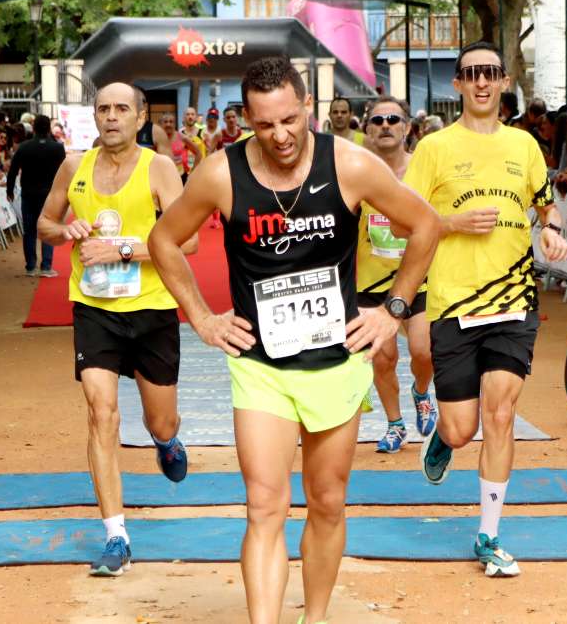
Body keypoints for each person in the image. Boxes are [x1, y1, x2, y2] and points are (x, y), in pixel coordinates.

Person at [147, 57, 439, 623]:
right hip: (261, 366)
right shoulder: (220, 173)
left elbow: (424, 225)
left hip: (338, 361)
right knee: (265, 505)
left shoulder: (350, 163)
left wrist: (393, 310)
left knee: (327, 501)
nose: (280, 136)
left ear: (307, 106)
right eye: (264, 125)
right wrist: (203, 318)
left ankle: (317, 616)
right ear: (244, 123)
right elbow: (163, 240)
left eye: (289, 120)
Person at [405, 42, 567, 578]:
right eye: (471, 74)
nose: (481, 82)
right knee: (461, 429)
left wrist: (552, 228)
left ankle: (489, 533)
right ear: (457, 84)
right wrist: (450, 224)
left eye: (490, 74)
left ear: (503, 83)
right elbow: (406, 216)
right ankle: (442, 437)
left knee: (501, 416)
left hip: (514, 301)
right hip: (453, 303)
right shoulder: (433, 147)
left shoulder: (524, 145)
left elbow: (548, 202)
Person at [38, 82, 198, 577]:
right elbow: (44, 222)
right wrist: (66, 231)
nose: (111, 117)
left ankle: (167, 443)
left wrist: (123, 249)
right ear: (95, 115)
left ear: (140, 116)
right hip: (94, 307)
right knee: (101, 413)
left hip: (151, 309)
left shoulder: (159, 168)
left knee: (160, 422)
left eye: (121, 109)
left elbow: (186, 244)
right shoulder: (73, 166)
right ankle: (116, 535)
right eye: (103, 109)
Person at [356, 96, 438, 453]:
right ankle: (394, 423)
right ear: (368, 130)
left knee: (425, 350)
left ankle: (421, 391)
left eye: (393, 119)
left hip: (417, 275)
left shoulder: (425, 171)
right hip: (370, 281)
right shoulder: (354, 171)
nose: (385, 125)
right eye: (377, 121)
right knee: (383, 358)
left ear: (407, 127)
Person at [7, 114, 66, 277]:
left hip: (28, 193)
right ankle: (46, 267)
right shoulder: (57, 148)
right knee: (48, 229)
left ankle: (30, 267)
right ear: (48, 128)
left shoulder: (24, 147)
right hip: (50, 194)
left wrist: (9, 190)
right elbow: (65, 171)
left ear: (33, 128)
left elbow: (12, 170)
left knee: (30, 230)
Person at [152, 112, 201, 181]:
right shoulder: (156, 139)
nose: (168, 124)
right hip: (162, 177)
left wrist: (192, 173)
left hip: (180, 177)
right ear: (161, 124)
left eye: (171, 122)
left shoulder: (182, 137)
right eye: (165, 122)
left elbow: (198, 153)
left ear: (175, 124)